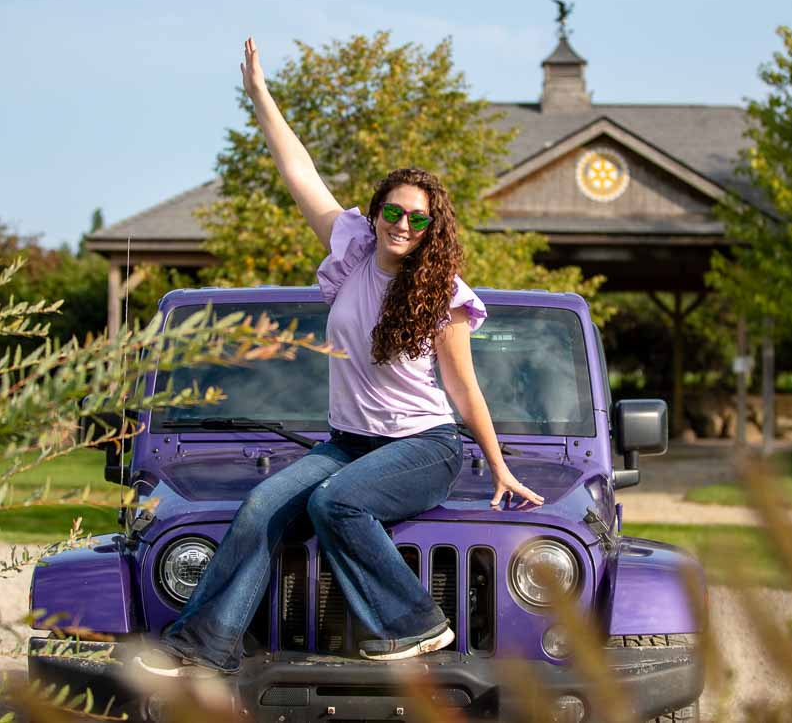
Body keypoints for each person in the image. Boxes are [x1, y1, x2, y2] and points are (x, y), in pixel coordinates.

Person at [134, 38, 543, 679]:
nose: (403, 224)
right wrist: (261, 98)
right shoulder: (351, 250)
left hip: (423, 447)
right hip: (349, 442)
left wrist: (499, 468)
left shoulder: (444, 298)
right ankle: (204, 646)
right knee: (263, 506)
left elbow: (465, 392)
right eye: (394, 211)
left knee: (335, 504)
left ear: (435, 229)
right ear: (376, 211)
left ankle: (416, 624)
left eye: (419, 219)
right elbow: (299, 171)